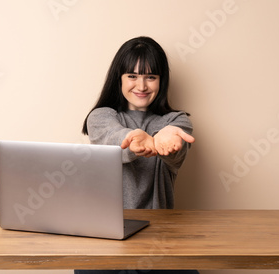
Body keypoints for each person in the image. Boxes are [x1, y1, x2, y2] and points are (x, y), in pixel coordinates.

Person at [75, 36, 197, 274]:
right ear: (118, 79)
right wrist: (134, 141)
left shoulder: (177, 121)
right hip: (106, 235)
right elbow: (113, 139)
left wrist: (168, 144)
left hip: (160, 239)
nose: (141, 86)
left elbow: (176, 155)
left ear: (161, 81)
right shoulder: (100, 117)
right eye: (132, 76)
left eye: (150, 77)